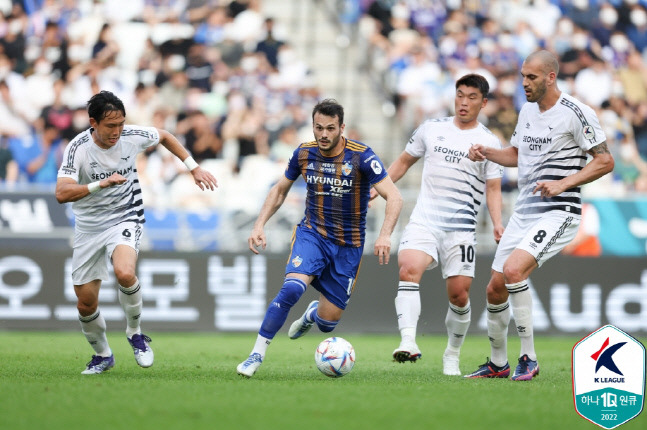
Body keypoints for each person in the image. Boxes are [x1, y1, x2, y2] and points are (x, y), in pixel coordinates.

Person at [465, 50, 614, 381]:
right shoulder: (528, 112)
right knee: (494, 288)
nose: (524, 83)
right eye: (522, 76)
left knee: (515, 270)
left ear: (550, 77)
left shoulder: (577, 113)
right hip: (525, 211)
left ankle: (528, 358)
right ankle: (498, 363)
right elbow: (516, 156)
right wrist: (486, 151)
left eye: (531, 77)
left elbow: (605, 161)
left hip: (560, 211)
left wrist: (565, 183)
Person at [236, 99, 403, 378]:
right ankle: (256, 354)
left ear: (341, 127)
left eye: (330, 128)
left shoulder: (362, 156)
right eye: (318, 128)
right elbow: (280, 190)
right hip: (312, 234)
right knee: (291, 290)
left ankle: (314, 314)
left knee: (328, 323)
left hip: (348, 246)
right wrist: (259, 225)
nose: (323, 134)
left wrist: (385, 234)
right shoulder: (304, 153)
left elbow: (394, 196)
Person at [55, 90, 218, 374]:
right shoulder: (78, 148)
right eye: (110, 126)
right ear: (93, 122)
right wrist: (100, 184)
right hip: (88, 227)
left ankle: (135, 333)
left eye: (120, 124)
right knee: (85, 304)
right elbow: (61, 193)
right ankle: (103, 354)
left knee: (125, 273)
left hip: (125, 216)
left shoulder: (131, 135)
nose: (117, 131)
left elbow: (166, 135)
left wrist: (193, 168)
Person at [372, 74, 504, 376]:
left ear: (483, 103)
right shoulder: (431, 130)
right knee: (408, 267)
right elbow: (404, 162)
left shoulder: (490, 142)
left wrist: (497, 223)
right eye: (460, 95)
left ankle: (452, 354)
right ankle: (408, 341)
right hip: (425, 219)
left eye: (472, 97)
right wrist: (380, 187)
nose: (464, 102)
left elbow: (493, 188)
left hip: (461, 229)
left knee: (459, 295)